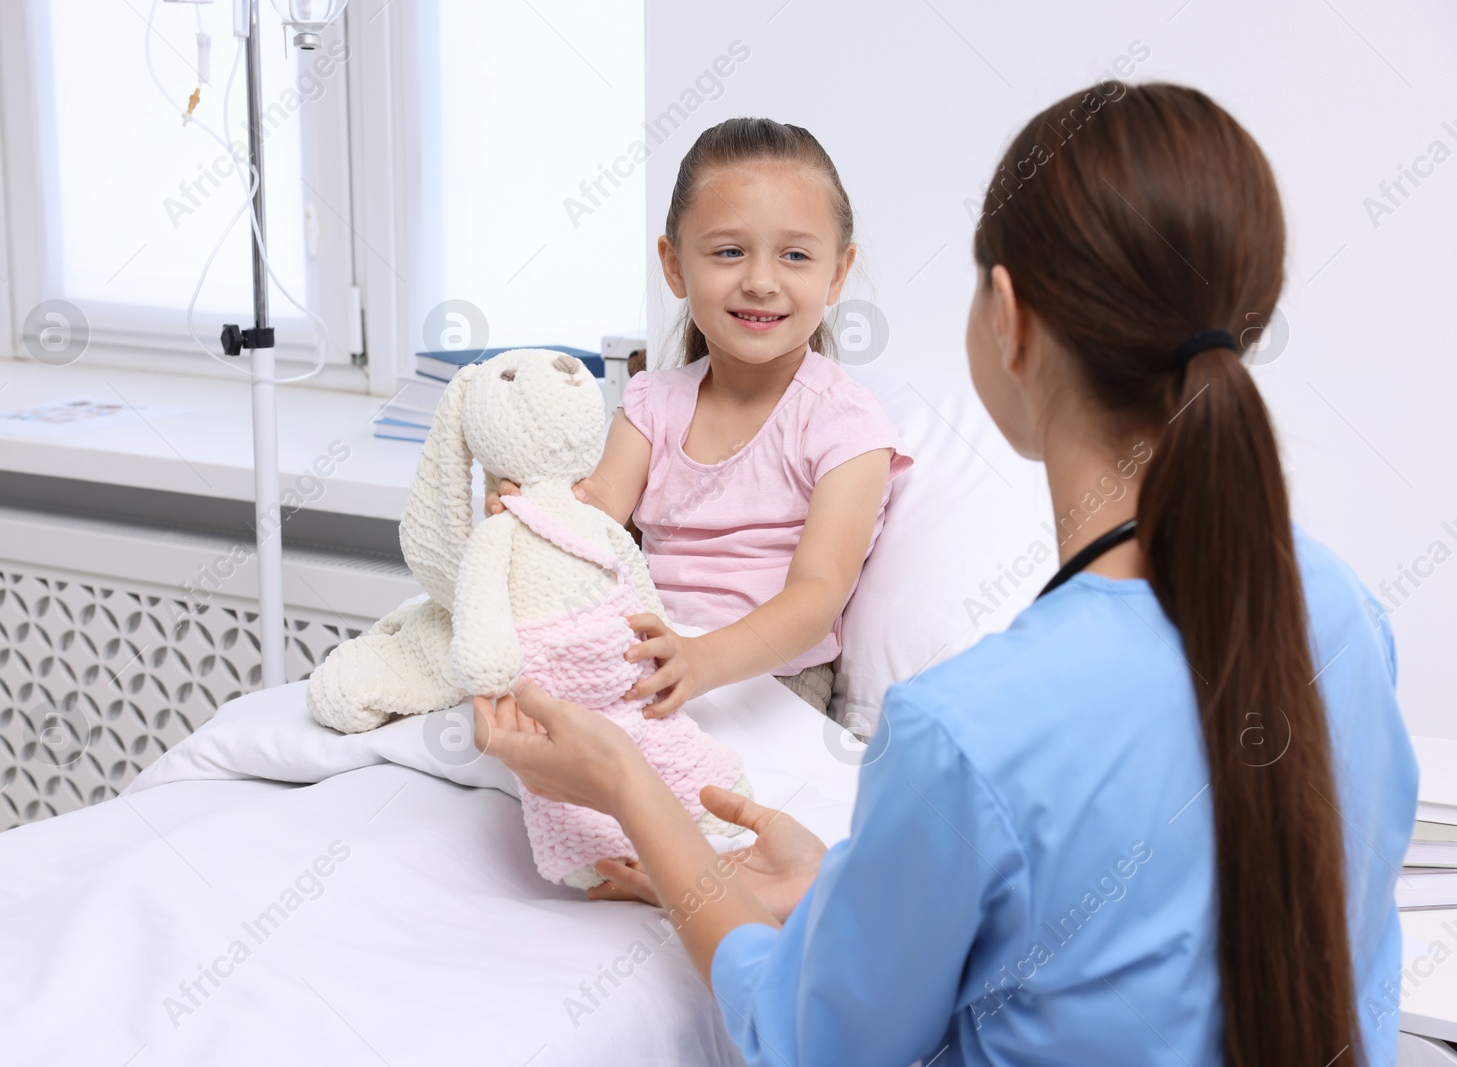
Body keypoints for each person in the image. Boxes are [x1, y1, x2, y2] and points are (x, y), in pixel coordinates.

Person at [473, 83, 1418, 1066]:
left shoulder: (962, 731)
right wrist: (845, 877)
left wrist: (630, 786)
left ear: (1005, 317)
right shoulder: (1342, 609)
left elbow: (803, 1044)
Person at [489, 117, 912, 717]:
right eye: (729, 252)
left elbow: (818, 593)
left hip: (769, 678)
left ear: (837, 273)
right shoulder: (651, 404)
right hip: (641, 656)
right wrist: (533, 514)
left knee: (688, 791)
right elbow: (595, 519)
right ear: (675, 265)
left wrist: (702, 660)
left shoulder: (846, 427)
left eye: (795, 255)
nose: (761, 281)